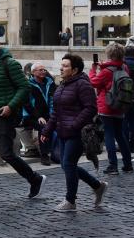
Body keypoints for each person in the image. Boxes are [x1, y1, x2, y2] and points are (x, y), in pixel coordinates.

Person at [0, 34, 46, 202]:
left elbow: (25, 87)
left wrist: (10, 106)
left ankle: (35, 179)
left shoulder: (9, 63)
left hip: (2, 116)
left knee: (6, 154)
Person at [41, 54, 107, 212]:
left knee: (69, 164)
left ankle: (70, 201)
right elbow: (56, 112)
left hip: (77, 133)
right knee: (66, 165)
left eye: (65, 66)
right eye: (61, 65)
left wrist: (74, 125)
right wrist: (47, 130)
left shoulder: (83, 85)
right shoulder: (63, 85)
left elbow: (91, 108)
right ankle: (97, 186)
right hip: (63, 131)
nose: (61, 68)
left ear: (75, 69)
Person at [89, 42, 133, 175]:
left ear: (109, 55)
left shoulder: (106, 71)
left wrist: (93, 70)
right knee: (120, 135)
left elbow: (93, 82)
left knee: (109, 134)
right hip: (120, 106)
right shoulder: (124, 68)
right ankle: (128, 164)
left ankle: (113, 166)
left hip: (107, 106)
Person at [24, 63, 56, 166]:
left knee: (56, 124)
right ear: (33, 72)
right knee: (43, 127)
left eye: (44, 70)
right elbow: (27, 104)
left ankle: (56, 152)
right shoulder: (28, 85)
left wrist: (52, 114)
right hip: (32, 115)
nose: (43, 72)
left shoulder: (50, 83)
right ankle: (44, 154)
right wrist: (38, 116)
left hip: (48, 114)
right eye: (40, 70)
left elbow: (53, 100)